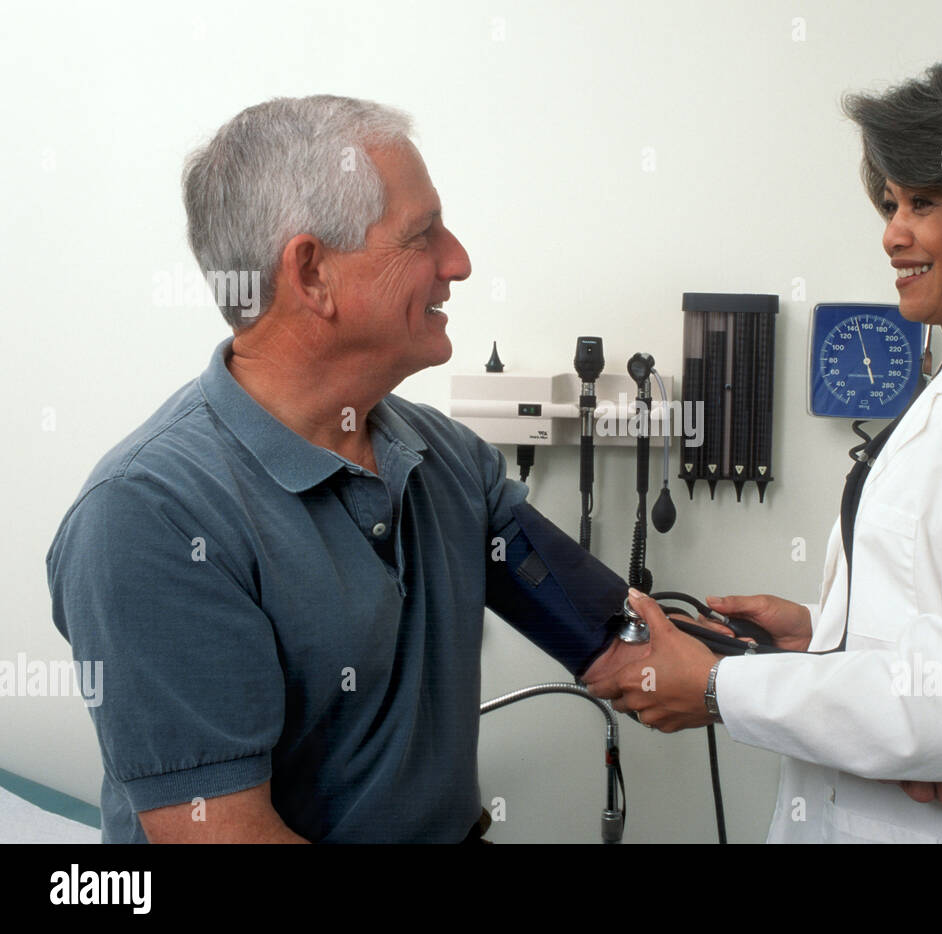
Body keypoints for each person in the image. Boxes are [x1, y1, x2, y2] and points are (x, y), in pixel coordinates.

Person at [587, 59, 942, 843]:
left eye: (922, 203)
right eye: (891, 202)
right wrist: (825, 635)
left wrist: (724, 689)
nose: (892, 233)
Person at [46, 95, 639, 843]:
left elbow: (611, 634)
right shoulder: (149, 516)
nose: (457, 262)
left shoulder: (444, 459)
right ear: (312, 273)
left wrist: (798, 658)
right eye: (422, 235)